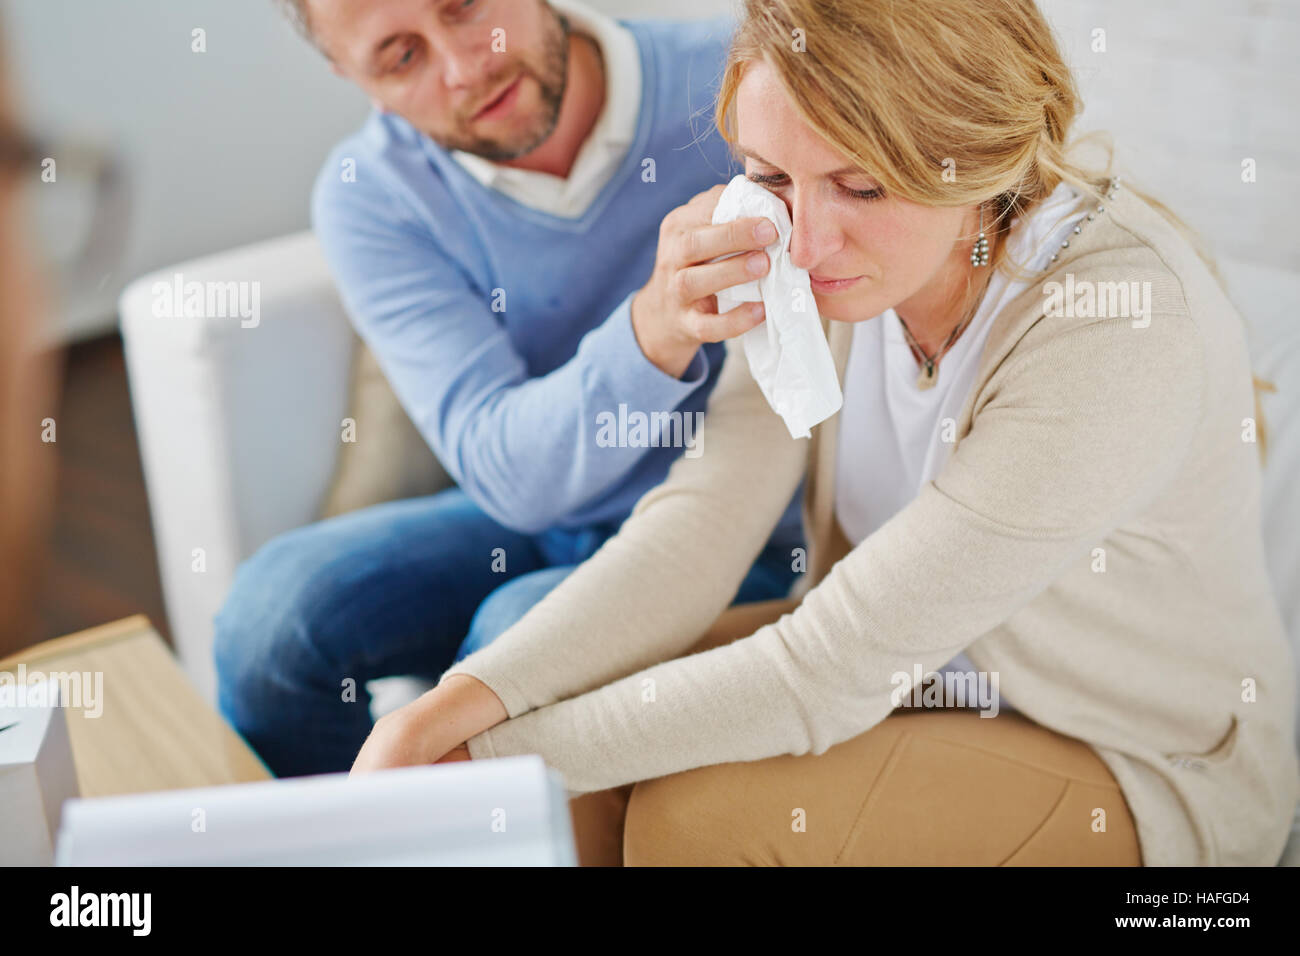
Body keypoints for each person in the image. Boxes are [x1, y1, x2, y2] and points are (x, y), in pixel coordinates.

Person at [352, 0, 1298, 866]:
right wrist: (451, 712)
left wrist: (488, 760)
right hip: (923, 680)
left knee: (694, 822)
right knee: (576, 779)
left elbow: (828, 669)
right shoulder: (794, 247)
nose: (803, 245)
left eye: (863, 187)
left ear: (980, 152)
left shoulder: (1114, 325)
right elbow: (700, 525)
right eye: (771, 178)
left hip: (1132, 757)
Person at [213, 0, 806, 778]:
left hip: (744, 528)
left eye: (462, 8)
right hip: (537, 516)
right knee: (267, 624)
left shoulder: (738, 80)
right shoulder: (374, 195)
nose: (466, 68)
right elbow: (506, 473)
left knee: (512, 632)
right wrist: (652, 328)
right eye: (400, 57)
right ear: (352, 78)